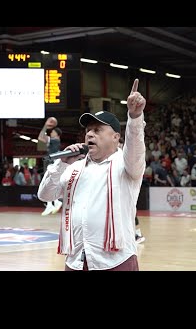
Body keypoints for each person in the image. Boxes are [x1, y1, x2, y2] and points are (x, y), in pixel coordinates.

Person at [38, 78, 146, 271]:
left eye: (97, 130)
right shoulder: (73, 167)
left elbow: (135, 147)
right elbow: (45, 195)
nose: (89, 134)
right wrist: (60, 164)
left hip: (115, 261)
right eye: (88, 130)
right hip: (77, 260)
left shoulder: (126, 164)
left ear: (115, 137)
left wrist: (135, 117)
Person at [37, 118, 63, 216]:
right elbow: (41, 141)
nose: (51, 133)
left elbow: (40, 138)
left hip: (53, 163)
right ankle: (50, 204)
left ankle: (54, 202)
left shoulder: (55, 140)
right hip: (52, 162)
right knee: (50, 183)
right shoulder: (54, 141)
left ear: (56, 133)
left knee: (49, 182)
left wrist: (45, 126)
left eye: (52, 132)